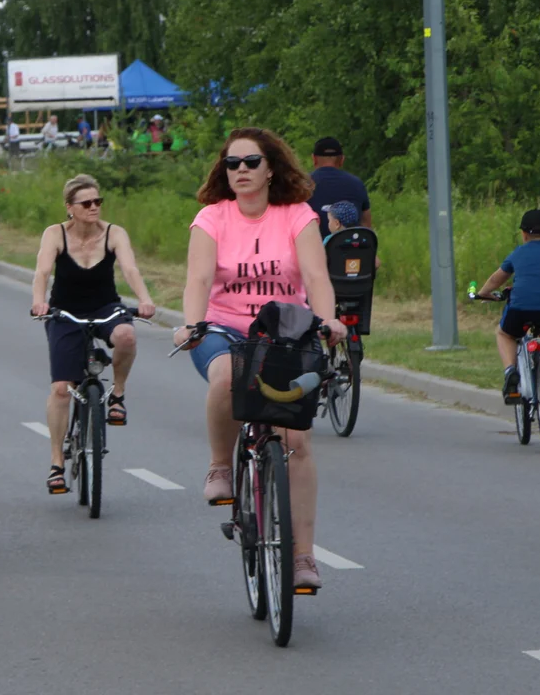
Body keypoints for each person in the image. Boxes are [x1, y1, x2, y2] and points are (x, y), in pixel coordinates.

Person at [173, 127, 346, 590]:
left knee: (297, 440)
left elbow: (315, 275)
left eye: (251, 162)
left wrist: (328, 320)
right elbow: (198, 278)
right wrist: (192, 326)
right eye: (233, 164)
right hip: (223, 328)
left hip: (285, 331)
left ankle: (304, 557)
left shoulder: (296, 215)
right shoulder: (212, 217)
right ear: (224, 171)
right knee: (228, 374)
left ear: (271, 168)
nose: (242, 171)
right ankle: (220, 466)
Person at [30, 174, 156, 493]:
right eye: (86, 203)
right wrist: (39, 301)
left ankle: (117, 394)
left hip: (104, 307)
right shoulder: (55, 234)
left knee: (127, 335)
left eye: (98, 201)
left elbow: (130, 269)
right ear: (70, 208)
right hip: (65, 311)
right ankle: (57, 463)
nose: (94, 207)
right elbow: (43, 270)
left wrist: (144, 298)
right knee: (61, 388)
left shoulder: (114, 233)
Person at [474, 209, 540, 404]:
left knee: (505, 334)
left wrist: (484, 293)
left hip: (521, 309)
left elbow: (497, 279)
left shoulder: (518, 253)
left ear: (524, 234)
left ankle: (511, 371)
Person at [307, 137, 371, 239]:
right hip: (350, 250)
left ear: (314, 159)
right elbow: (366, 227)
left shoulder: (302, 185)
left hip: (311, 250)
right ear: (342, 160)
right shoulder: (357, 184)